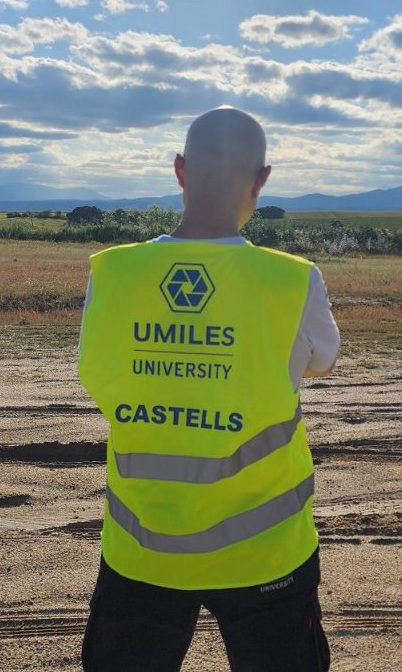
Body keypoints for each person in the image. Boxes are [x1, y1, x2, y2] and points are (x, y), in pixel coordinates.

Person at [77, 107, 339, 671]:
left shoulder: (113, 273)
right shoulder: (293, 280)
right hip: (266, 553)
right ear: (262, 179)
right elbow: (323, 360)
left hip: (143, 550)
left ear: (179, 170)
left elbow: (99, 372)